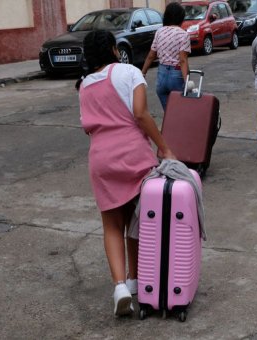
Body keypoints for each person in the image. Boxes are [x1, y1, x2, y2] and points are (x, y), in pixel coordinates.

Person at [76, 30, 175, 316]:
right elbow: (141, 114)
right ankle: (136, 280)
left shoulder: (84, 85)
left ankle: (120, 286)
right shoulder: (129, 71)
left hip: (101, 159)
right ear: (112, 49)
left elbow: (87, 127)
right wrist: (165, 148)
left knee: (111, 226)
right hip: (134, 155)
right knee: (138, 220)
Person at [141, 2, 190, 112]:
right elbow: (182, 60)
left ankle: (170, 128)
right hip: (176, 76)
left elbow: (151, 55)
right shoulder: (184, 34)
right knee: (180, 112)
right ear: (181, 17)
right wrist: (187, 81)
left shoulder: (159, 32)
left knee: (169, 113)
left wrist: (143, 72)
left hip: (161, 76)